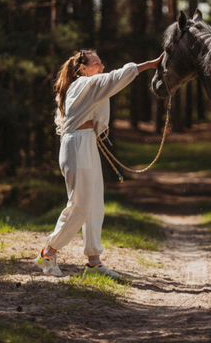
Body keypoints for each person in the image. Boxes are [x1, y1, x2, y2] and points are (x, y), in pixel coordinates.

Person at [35, 49, 162, 279]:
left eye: (102, 63)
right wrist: (150, 64)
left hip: (86, 143)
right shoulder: (83, 84)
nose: (101, 67)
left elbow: (107, 83)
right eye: (97, 63)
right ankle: (48, 252)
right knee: (80, 205)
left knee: (94, 204)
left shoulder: (86, 86)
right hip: (77, 147)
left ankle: (94, 263)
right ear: (83, 68)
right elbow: (114, 78)